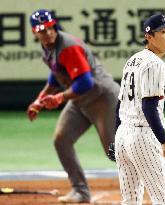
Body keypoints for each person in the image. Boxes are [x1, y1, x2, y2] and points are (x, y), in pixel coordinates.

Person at [27, 9, 120, 203]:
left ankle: (161, 149)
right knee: (61, 139)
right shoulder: (48, 47)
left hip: (102, 98)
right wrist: (39, 100)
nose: (49, 32)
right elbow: (55, 75)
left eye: (52, 27)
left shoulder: (67, 46)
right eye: (43, 30)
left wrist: (59, 98)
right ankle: (81, 192)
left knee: (114, 152)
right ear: (34, 32)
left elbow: (86, 83)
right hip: (79, 100)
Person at [114, 14, 165, 205]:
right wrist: (164, 140)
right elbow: (149, 107)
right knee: (163, 200)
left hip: (123, 137)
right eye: (162, 32)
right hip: (143, 137)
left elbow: (120, 103)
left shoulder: (133, 60)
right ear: (149, 36)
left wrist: (115, 135)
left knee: (131, 200)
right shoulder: (154, 63)